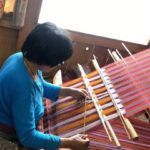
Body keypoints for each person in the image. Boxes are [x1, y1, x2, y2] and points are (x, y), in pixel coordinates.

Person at [0, 22, 89, 150]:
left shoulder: (22, 58)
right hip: (8, 132)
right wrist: (68, 142)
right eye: (58, 61)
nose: (60, 64)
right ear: (45, 59)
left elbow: (39, 85)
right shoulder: (22, 87)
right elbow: (28, 137)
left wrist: (69, 91)